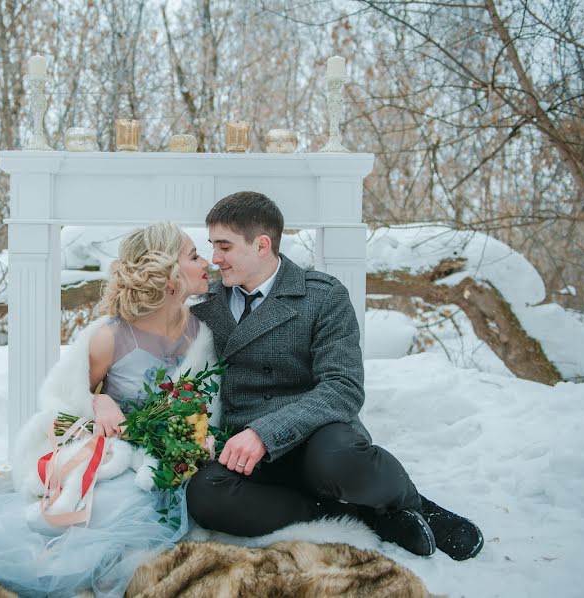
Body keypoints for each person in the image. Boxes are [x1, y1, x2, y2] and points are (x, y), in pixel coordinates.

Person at [0, 222, 216, 597]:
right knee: (99, 521)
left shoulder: (202, 333)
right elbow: (61, 408)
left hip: (167, 462)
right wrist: (97, 403)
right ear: (168, 274)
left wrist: (193, 438)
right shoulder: (110, 336)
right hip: (113, 458)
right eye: (195, 256)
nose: (207, 263)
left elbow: (205, 406)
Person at [186, 191, 484, 561]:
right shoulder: (204, 306)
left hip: (317, 435)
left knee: (341, 459)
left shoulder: (322, 296)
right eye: (212, 246)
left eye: (224, 246)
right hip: (245, 449)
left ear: (262, 245)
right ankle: (356, 516)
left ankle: (414, 504)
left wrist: (266, 433)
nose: (214, 258)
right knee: (203, 495)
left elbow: (342, 387)